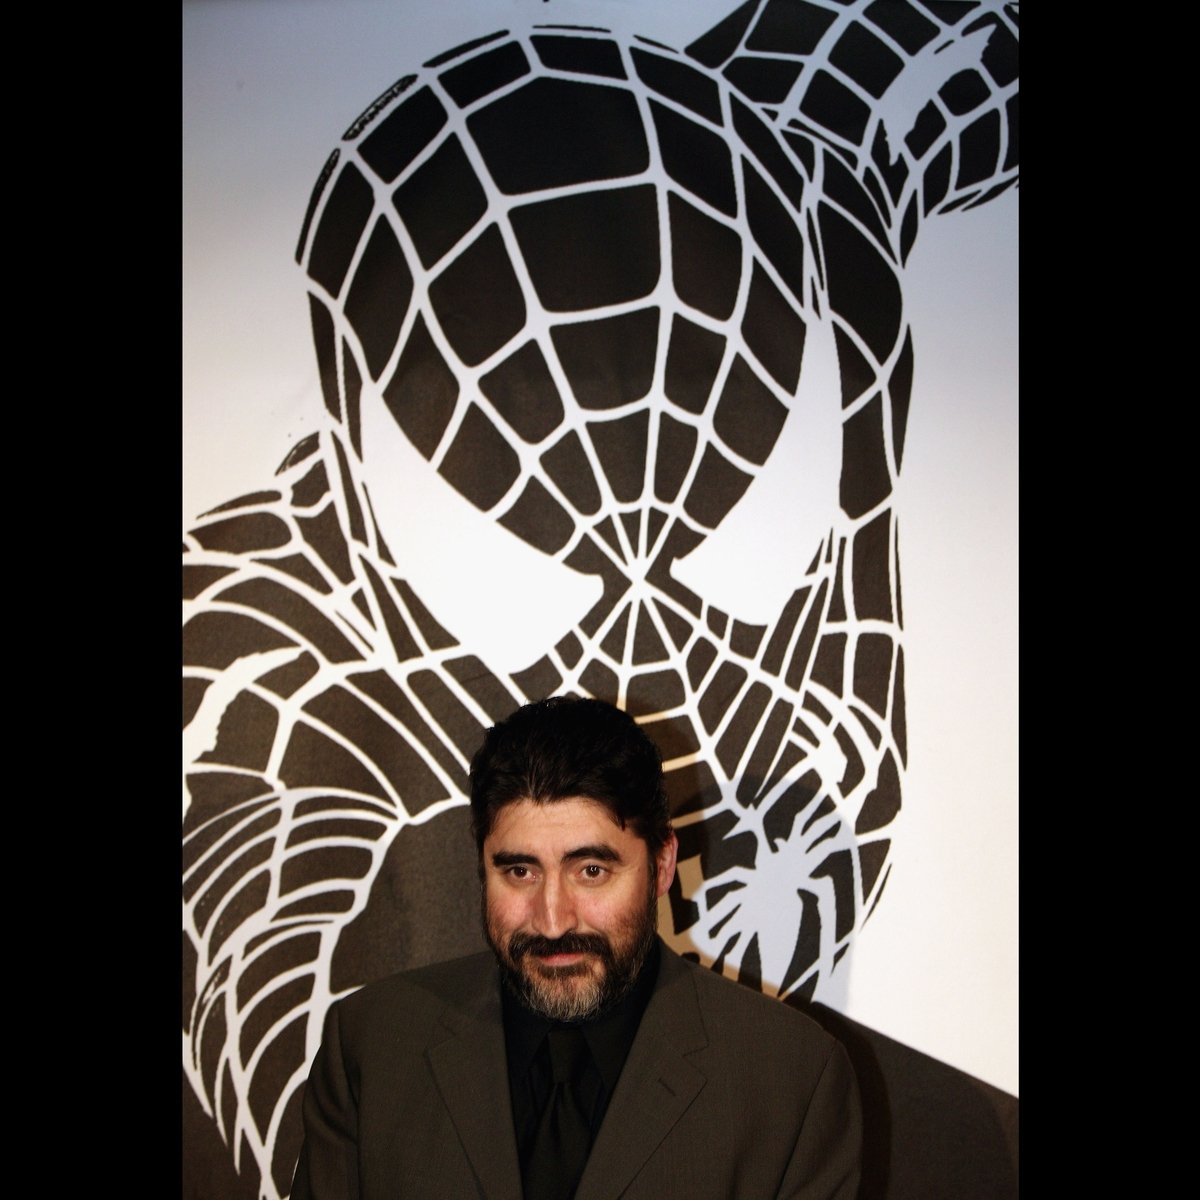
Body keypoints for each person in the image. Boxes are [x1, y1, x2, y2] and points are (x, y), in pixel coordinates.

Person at [289, 695, 862, 1199]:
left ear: (662, 865)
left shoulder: (790, 1080)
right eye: (520, 871)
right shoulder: (372, 1045)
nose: (553, 921)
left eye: (591, 870)